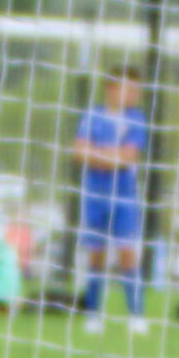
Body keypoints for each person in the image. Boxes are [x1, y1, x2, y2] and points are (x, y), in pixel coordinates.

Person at [71, 66, 148, 334]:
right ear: (112, 89)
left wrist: (99, 154)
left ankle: (136, 315)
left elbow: (129, 157)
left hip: (125, 196)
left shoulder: (136, 119)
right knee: (96, 253)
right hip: (95, 195)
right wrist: (111, 157)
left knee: (128, 253)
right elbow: (80, 152)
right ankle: (93, 314)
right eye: (130, 88)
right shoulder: (93, 116)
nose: (136, 94)